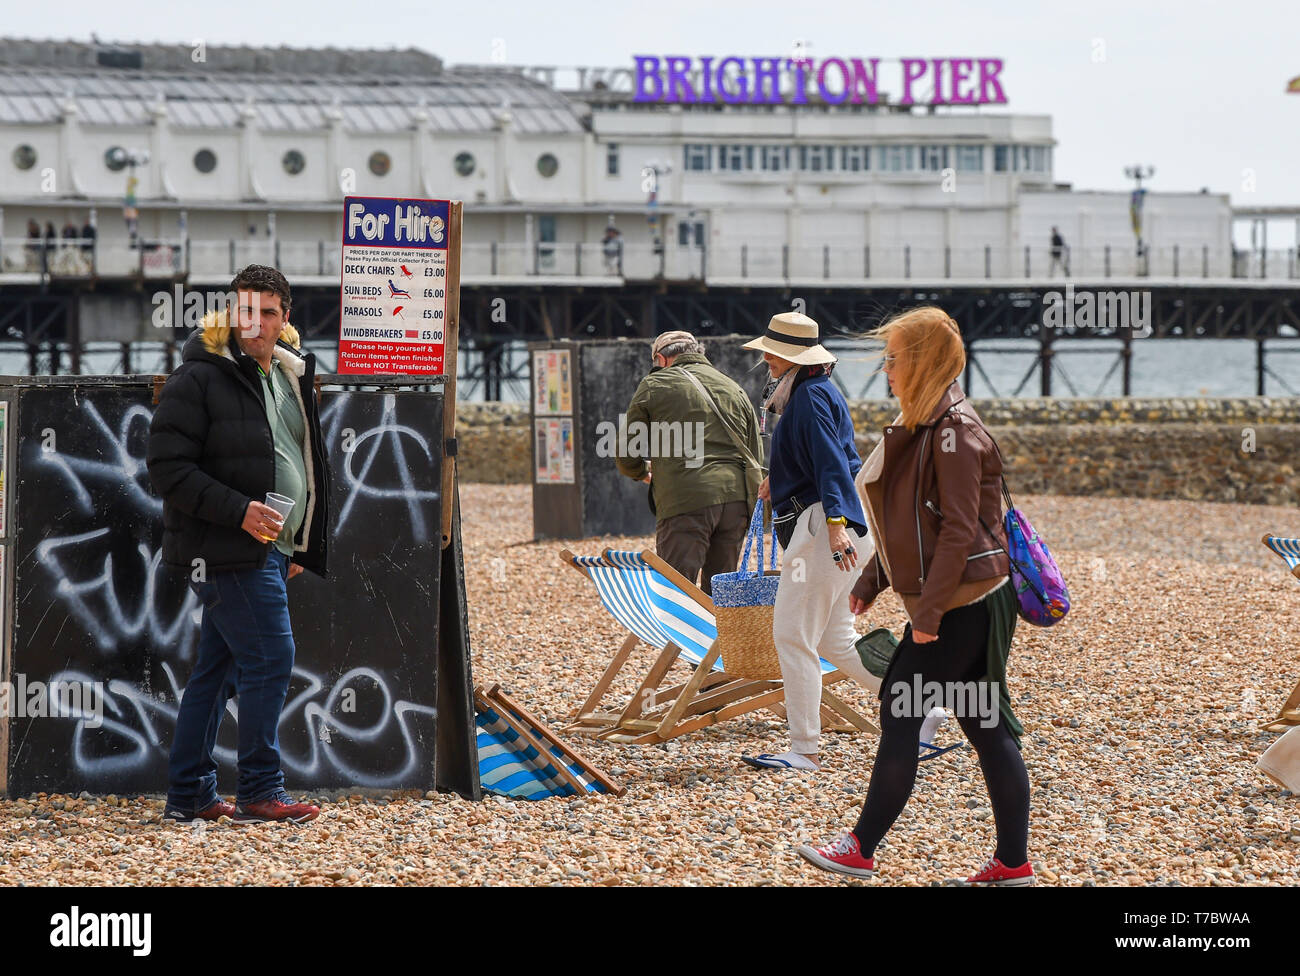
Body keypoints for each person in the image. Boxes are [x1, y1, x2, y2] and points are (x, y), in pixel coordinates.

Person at [797, 305, 1033, 886]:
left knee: (902, 711)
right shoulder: (931, 426)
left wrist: (926, 616)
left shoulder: (954, 434)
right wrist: (874, 582)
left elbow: (958, 530)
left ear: (923, 363)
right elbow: (912, 522)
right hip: (969, 600)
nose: (887, 371)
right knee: (983, 724)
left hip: (963, 604)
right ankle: (1012, 864)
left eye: (896, 359)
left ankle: (860, 847)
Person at [148, 264, 330, 825]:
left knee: (217, 671)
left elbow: (300, 460)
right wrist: (241, 513)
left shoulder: (285, 374)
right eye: (244, 310)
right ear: (229, 314)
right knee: (273, 658)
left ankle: (189, 795)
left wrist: (296, 543)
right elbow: (166, 469)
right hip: (224, 547)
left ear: (285, 318)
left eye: (267, 312)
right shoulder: (198, 377)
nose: (254, 322)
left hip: (270, 550)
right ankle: (258, 789)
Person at [736, 312, 883, 772]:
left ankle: (804, 749)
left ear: (791, 356)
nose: (765, 358)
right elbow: (820, 459)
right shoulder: (814, 392)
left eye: (771, 352)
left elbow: (832, 464)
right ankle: (924, 707)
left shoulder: (809, 399)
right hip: (839, 525)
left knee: (791, 634)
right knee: (836, 640)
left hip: (824, 528)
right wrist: (776, 481)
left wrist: (837, 524)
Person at [615, 330, 762, 597]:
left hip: (686, 500)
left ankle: (681, 640)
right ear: (698, 353)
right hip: (736, 501)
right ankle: (717, 640)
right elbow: (755, 453)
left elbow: (627, 452)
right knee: (720, 595)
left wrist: (641, 471)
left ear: (661, 358)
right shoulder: (732, 386)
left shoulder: (656, 384)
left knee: (677, 591)